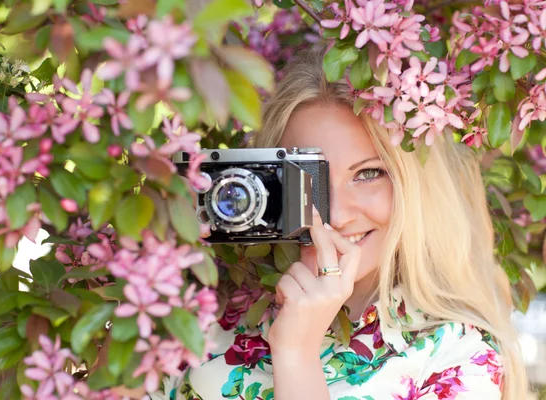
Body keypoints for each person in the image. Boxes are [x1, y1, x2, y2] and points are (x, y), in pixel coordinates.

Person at [168, 47, 527, 400]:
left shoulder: (459, 357)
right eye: (306, 179)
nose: (336, 216)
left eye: (369, 173)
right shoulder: (204, 310)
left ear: (412, 185)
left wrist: (297, 355)